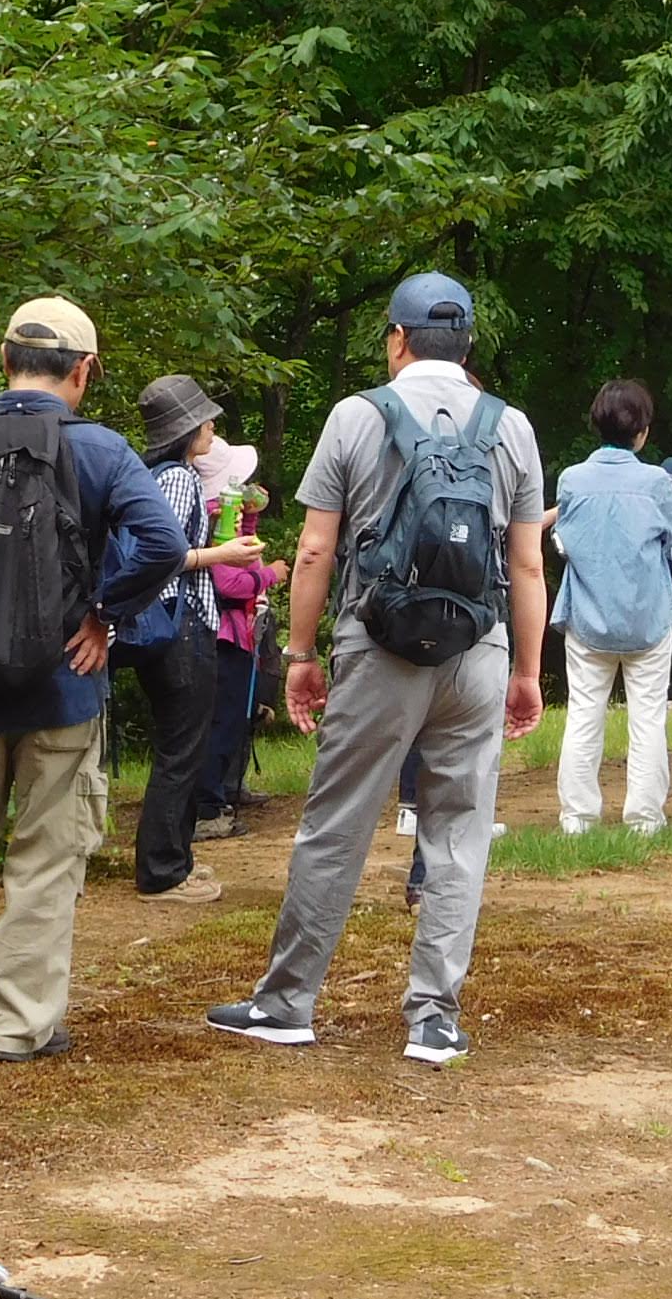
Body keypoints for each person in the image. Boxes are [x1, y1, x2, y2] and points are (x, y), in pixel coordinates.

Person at [207, 272, 546, 1065]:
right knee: (458, 831)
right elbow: (527, 564)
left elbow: (315, 549)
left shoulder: (357, 416)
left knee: (337, 823)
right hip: (478, 648)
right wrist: (527, 672)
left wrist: (299, 655)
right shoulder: (512, 426)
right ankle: (434, 1018)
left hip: (377, 644)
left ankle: (287, 1003)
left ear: (396, 339)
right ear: (467, 345)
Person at [0, 298, 184, 1060]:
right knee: (47, 858)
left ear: (4, 360)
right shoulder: (100, 451)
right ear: (84, 371)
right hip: (64, 684)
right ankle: (19, 1025)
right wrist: (104, 615)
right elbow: (163, 542)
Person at [128, 374, 267, 904]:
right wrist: (222, 555)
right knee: (182, 750)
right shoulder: (178, 480)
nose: (211, 426)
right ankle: (162, 871)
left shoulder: (163, 474)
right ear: (183, 430)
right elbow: (161, 555)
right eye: (203, 419)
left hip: (177, 625)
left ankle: (176, 859)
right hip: (180, 626)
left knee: (182, 747)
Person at [550, 378, 672, 835]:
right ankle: (645, 818)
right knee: (649, 719)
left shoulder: (572, 479)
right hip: (648, 616)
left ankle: (577, 818)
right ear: (642, 432)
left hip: (588, 614)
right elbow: (670, 536)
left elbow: (565, 538)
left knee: (584, 714)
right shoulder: (656, 482)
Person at [193, 435, 280, 840]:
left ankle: (218, 796)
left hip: (230, 633)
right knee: (222, 722)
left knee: (228, 720)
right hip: (225, 635)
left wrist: (249, 520)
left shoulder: (217, 515)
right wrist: (270, 575)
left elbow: (244, 551)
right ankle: (209, 808)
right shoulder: (216, 521)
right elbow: (230, 581)